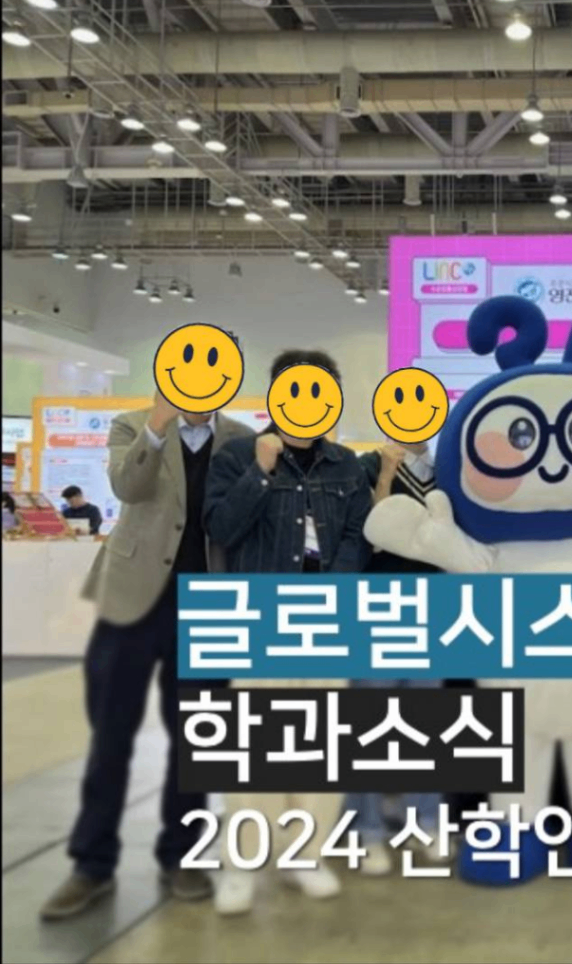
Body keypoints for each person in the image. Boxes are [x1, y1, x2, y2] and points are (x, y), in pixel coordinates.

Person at [40, 390, 253, 921]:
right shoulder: (131, 425)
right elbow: (126, 486)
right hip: (131, 599)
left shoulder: (243, 440)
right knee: (110, 732)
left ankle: (182, 856)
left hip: (209, 605)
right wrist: (157, 427)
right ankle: (91, 864)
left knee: (197, 739)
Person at [203, 349, 372, 915]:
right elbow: (221, 527)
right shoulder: (237, 455)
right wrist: (261, 471)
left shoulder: (347, 465)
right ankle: (242, 863)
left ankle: (306, 855)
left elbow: (358, 536)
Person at [346, 439, 447, 876]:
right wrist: (386, 475)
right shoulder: (367, 465)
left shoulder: (447, 472)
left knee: (429, 724)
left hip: (433, 608)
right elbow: (368, 535)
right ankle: (367, 829)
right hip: (375, 609)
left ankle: (425, 820)